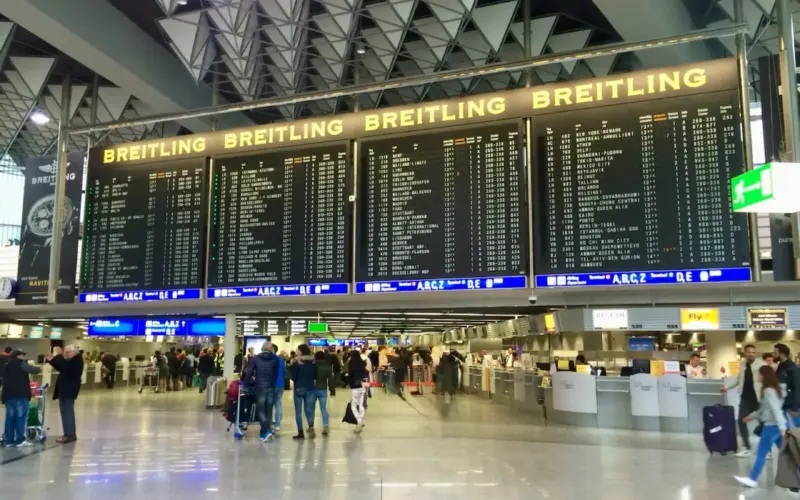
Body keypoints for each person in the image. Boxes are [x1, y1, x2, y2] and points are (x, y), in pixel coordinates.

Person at [734, 365, 790, 488]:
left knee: (761, 454)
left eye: (758, 374)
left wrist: (782, 428)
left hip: (772, 427)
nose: (757, 376)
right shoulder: (775, 389)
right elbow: (764, 409)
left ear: (764, 375)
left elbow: (775, 409)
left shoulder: (768, 390)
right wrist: (750, 417)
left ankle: (752, 479)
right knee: (786, 454)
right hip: (778, 425)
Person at [722, 344, 764, 457]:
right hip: (745, 399)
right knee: (741, 421)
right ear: (744, 353)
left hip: (758, 400)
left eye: (753, 352)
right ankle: (747, 447)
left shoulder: (761, 364)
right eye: (749, 352)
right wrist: (727, 387)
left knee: (763, 423)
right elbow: (738, 380)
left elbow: (767, 380)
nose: (751, 354)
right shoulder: (742, 364)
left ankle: (767, 450)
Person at [1, 350, 41, 447]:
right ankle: (20, 440)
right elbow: (36, 370)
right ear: (18, 356)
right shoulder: (22, 363)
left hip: (8, 396)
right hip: (20, 395)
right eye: (22, 355)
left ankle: (8, 440)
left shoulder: (6, 364)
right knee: (20, 418)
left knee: (10, 419)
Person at [46, 345, 83, 444]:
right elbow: (61, 368)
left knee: (67, 412)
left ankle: (69, 435)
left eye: (67, 352)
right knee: (65, 412)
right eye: (65, 352)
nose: (66, 354)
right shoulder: (72, 360)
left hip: (68, 390)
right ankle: (69, 433)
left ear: (74, 352)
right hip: (65, 389)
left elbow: (65, 367)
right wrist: (51, 360)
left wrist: (59, 355)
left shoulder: (76, 360)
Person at [242, 342, 278, 442]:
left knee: (260, 409)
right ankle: (265, 432)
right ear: (270, 348)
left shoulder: (256, 358)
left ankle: (265, 431)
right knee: (268, 409)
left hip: (260, 387)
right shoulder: (275, 358)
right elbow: (276, 373)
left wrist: (246, 384)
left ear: (262, 348)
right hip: (271, 386)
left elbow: (249, 371)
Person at [289, 344, 317, 440]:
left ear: (301, 351)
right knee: (309, 410)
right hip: (310, 388)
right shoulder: (313, 362)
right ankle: (311, 426)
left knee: (298, 411)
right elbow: (315, 375)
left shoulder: (296, 362)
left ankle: (300, 433)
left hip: (299, 388)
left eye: (297, 349)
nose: (296, 351)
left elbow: (293, 377)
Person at [774, 343, 800, 426]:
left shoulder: (792, 367)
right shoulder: (780, 366)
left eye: (775, 352)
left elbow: (797, 387)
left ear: (781, 353)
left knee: (797, 427)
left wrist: (795, 407)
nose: (773, 354)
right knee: (786, 428)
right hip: (783, 403)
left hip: (791, 405)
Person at [312, 351, 335, 436]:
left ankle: (311, 426)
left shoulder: (312, 366)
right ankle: (326, 426)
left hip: (313, 390)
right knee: (323, 408)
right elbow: (331, 380)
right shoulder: (328, 367)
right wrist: (332, 390)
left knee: (311, 408)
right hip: (323, 389)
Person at [348, 350, 369, 434]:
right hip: (362, 386)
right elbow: (366, 373)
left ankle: (359, 421)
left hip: (355, 387)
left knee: (353, 406)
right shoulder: (362, 363)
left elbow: (350, 375)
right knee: (361, 405)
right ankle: (360, 421)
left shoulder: (351, 363)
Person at [271, 344, 285, 433]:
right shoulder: (281, 359)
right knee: (278, 403)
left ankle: (268, 423)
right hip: (281, 385)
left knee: (269, 404)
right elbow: (284, 372)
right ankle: (277, 425)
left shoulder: (270, 359)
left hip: (272, 384)